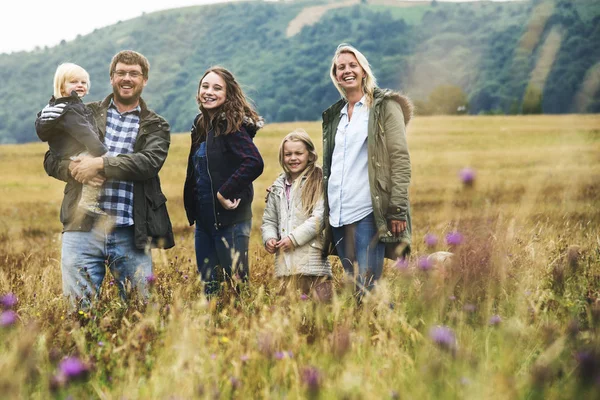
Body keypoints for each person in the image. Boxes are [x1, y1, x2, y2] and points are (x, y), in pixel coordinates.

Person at [36, 50, 174, 309]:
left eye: (134, 74)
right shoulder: (83, 112)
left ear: (144, 80)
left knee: (141, 311)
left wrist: (100, 163)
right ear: (111, 78)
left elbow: (148, 163)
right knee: (78, 313)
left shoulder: (156, 125)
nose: (127, 78)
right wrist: (74, 168)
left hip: (131, 230)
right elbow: (51, 159)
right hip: (82, 230)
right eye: (121, 73)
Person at [321, 43, 413, 297]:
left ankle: (388, 334)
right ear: (335, 75)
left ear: (363, 70)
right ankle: (372, 333)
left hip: (367, 212)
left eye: (352, 65)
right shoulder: (334, 115)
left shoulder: (383, 107)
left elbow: (400, 159)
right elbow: (333, 164)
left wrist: (397, 209)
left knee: (367, 287)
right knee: (355, 287)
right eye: (341, 67)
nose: (347, 71)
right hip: (339, 214)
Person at [183, 66, 264, 296]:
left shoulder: (231, 124)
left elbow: (253, 161)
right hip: (205, 223)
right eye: (205, 86)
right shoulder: (201, 125)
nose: (209, 92)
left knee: (237, 290)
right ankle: (215, 330)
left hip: (230, 222)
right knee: (210, 290)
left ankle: (243, 329)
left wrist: (224, 191)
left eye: (217, 88)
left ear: (228, 94)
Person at [262, 129, 332, 301]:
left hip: (314, 265)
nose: (293, 158)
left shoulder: (319, 181)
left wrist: (293, 239)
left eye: (298, 153)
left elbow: (319, 218)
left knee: (322, 314)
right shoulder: (277, 187)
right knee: (289, 316)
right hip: (285, 267)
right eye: (288, 154)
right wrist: (269, 238)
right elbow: (269, 220)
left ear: (310, 155)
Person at [36, 63, 108, 215]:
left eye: (83, 82)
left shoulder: (55, 108)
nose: (80, 85)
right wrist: (100, 151)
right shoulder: (71, 110)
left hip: (64, 152)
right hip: (74, 151)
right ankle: (89, 202)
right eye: (74, 82)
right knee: (96, 169)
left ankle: (92, 201)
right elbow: (85, 133)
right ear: (61, 87)